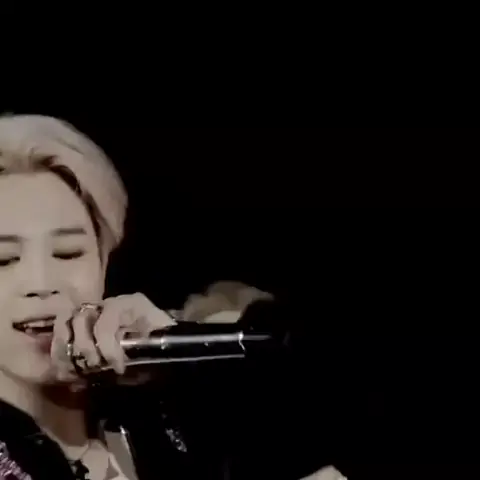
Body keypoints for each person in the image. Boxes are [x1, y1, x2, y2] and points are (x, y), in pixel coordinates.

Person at [0, 114, 345, 480]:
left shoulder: (172, 412)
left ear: (103, 262)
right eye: (4, 259)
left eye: (68, 253)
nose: (42, 283)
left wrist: (186, 374)